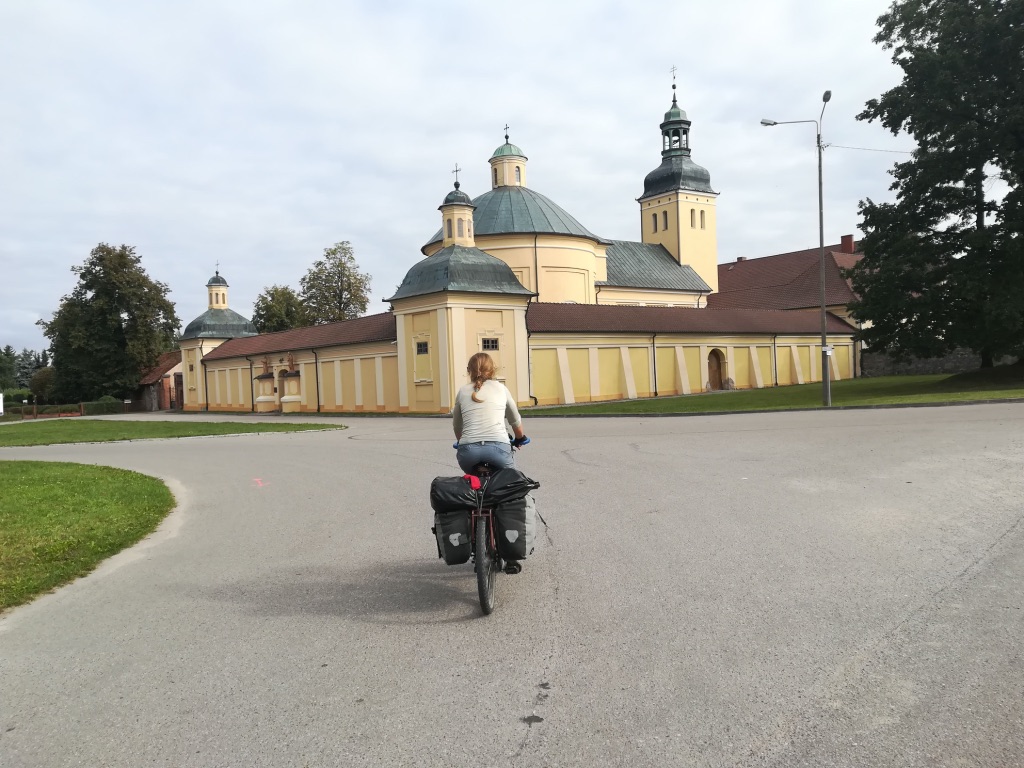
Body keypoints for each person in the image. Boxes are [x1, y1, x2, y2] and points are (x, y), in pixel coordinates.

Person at [452, 352, 527, 474]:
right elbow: (515, 420)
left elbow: (457, 426)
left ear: (469, 371)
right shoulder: (501, 389)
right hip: (499, 449)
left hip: (468, 453)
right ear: (492, 370)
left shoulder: (462, 391)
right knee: (511, 480)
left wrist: (462, 442)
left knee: (471, 481)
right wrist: (519, 438)